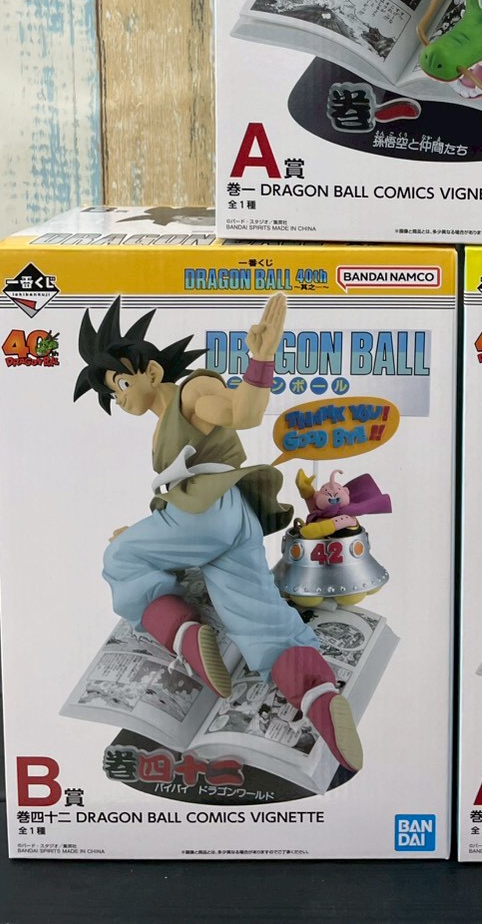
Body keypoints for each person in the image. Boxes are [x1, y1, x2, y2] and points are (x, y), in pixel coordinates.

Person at [73, 294, 361, 772]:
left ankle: (184, 635)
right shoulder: (168, 417)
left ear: (151, 371)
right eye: (111, 393)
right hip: (232, 519)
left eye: (120, 382)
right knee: (260, 617)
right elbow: (183, 485)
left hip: (208, 514)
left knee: (120, 559)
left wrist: (261, 359)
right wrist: (151, 527)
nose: (118, 397)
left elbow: (242, 414)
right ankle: (318, 695)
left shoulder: (192, 392)